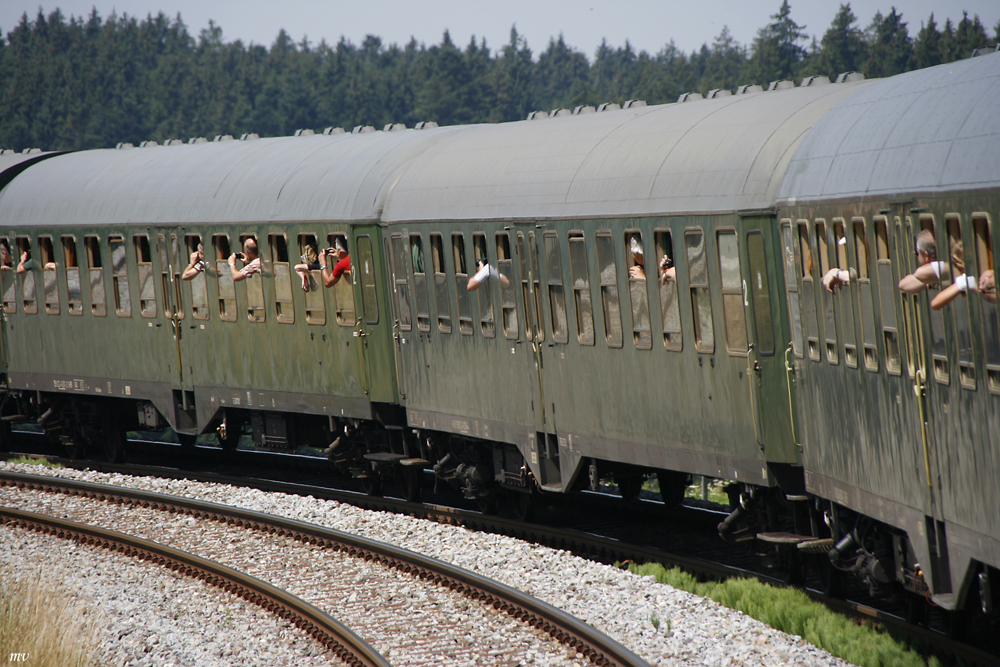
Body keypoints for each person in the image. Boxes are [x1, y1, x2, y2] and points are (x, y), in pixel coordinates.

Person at [898, 230, 947, 294]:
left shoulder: (945, 268)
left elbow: (918, 274)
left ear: (926, 256)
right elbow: (903, 285)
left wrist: (930, 279)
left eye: (917, 253)